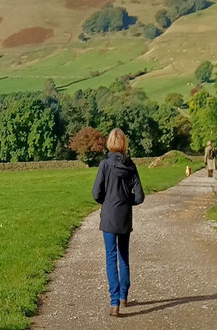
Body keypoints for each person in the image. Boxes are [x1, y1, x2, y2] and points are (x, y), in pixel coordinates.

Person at [92, 128, 145, 317]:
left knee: (110, 258)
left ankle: (114, 302)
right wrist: (125, 201)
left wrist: (107, 202)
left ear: (109, 144)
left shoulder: (104, 165)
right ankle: (124, 297)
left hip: (108, 217)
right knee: (124, 257)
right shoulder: (131, 166)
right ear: (124, 144)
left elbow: (96, 193)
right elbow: (139, 197)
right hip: (124, 217)